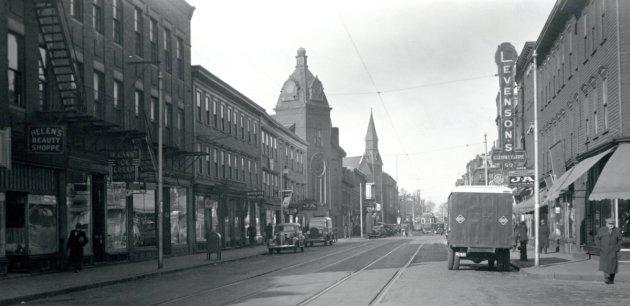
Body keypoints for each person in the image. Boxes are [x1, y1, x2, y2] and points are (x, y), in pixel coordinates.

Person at [595, 218, 623, 284]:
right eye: (609, 224)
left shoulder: (616, 230)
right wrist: (599, 246)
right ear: (606, 224)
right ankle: (606, 279)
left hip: (613, 250)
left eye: (612, 224)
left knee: (613, 266)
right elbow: (597, 238)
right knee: (605, 265)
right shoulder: (602, 230)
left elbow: (620, 240)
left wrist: (617, 247)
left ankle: (611, 279)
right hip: (604, 250)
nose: (611, 225)